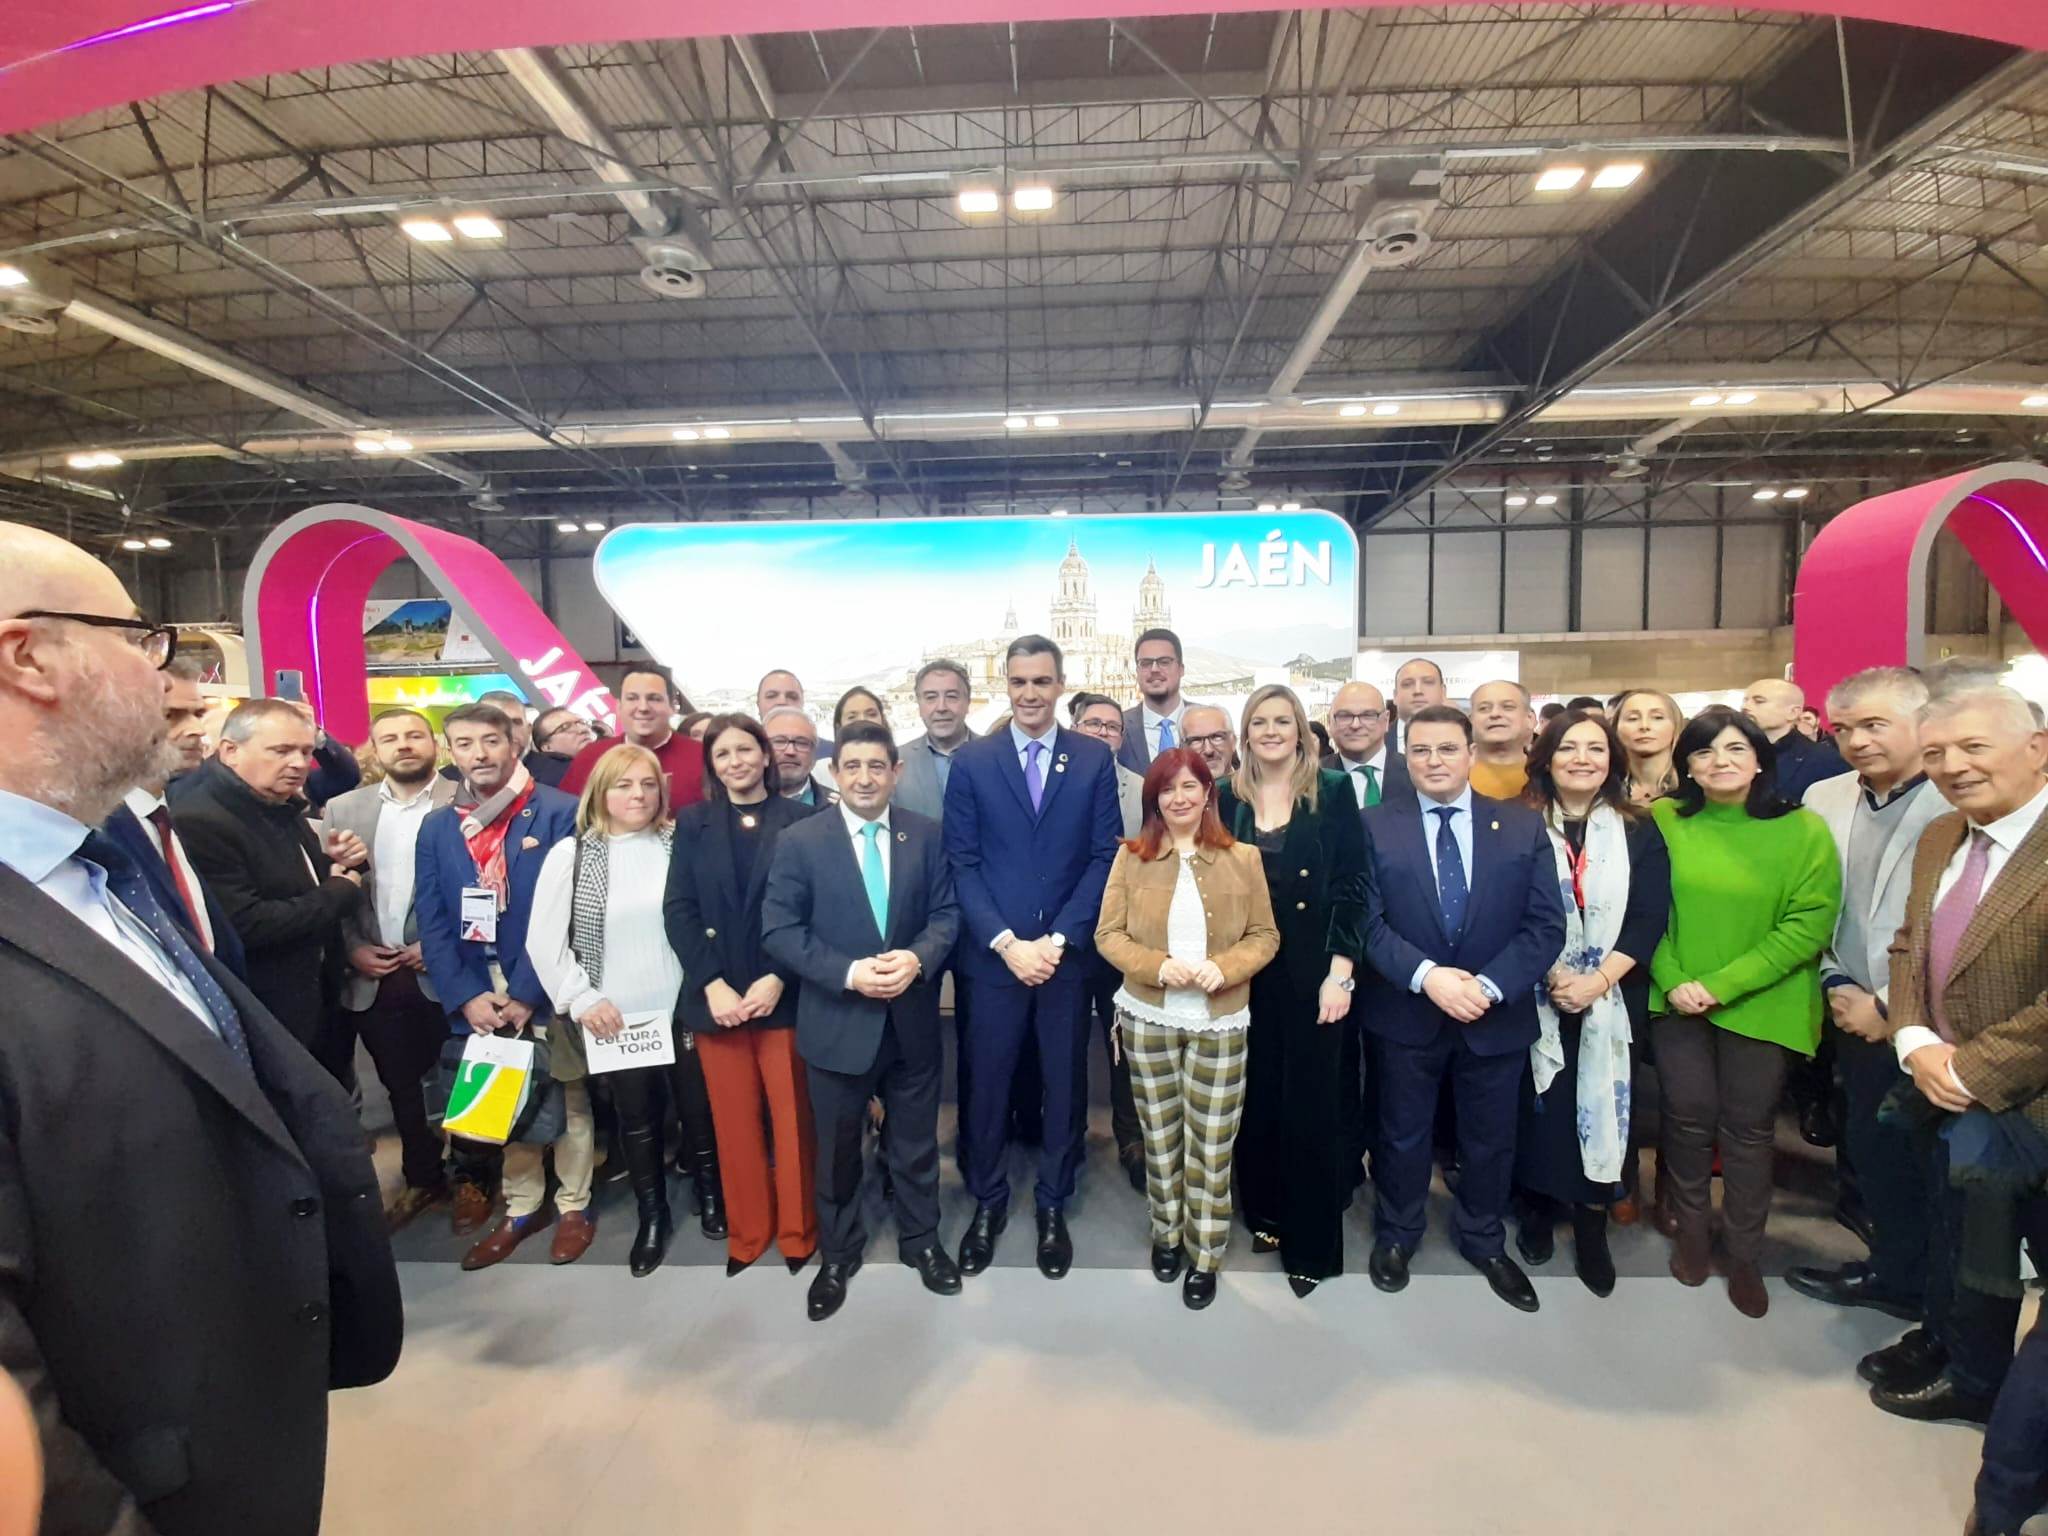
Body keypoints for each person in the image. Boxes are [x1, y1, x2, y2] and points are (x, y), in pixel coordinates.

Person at [0, 521, 400, 1535]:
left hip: (226, 1434)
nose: (171, 680)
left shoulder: (95, 867)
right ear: (28, 658)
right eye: (144, 640)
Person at [1868, 685, 2048, 1426]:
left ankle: (1981, 1382)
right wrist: (1913, 1040)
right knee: (1951, 1226)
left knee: (1997, 1254)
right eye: (1937, 752)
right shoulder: (1945, 833)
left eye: (1974, 747)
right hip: (1934, 1076)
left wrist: (1971, 1069)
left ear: (2037, 748)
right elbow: (1910, 945)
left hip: (2024, 1099)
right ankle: (1947, 1343)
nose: (1954, 767)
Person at [1361, 704, 1565, 1313]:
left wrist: (1489, 987)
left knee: (1490, 1137)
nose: (1433, 761)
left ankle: (1482, 1236)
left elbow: (1544, 925)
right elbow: (1364, 922)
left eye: (1447, 749)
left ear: (1470, 753)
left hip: (1493, 1014)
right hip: (1407, 1011)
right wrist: (1427, 978)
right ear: (1406, 757)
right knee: (1400, 1134)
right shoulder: (1374, 825)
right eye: (1420, 750)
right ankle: (1398, 1234)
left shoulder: (1523, 827)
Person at [762, 721, 964, 1321]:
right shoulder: (802, 841)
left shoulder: (926, 836)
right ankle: (838, 1253)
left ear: (895, 773)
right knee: (837, 1151)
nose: (865, 778)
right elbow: (779, 930)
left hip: (910, 1023)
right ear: (835, 773)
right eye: (852, 767)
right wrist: (848, 973)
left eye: (877, 766)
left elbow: (947, 914)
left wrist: (918, 959)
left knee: (915, 1144)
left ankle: (921, 1242)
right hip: (837, 1022)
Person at [1649, 705, 1841, 1317]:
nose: (1720, 762)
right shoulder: (1663, 821)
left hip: (1764, 1000)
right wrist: (1677, 980)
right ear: (1688, 767)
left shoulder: (1803, 829)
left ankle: (1746, 1252)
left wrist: (1723, 985)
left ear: (1761, 759)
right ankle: (1694, 1234)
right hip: (1674, 995)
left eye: (1735, 749)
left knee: (1749, 1129)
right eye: (1704, 753)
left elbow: (1809, 922)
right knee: (1685, 1117)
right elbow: (1637, 907)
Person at [944, 634, 1122, 1280]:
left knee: (1064, 1084)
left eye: (1041, 682)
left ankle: (1053, 1202)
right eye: (1018, 682)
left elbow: (1106, 855)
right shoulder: (974, 762)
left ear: (1060, 684)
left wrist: (1058, 940)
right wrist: (1005, 942)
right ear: (1006, 684)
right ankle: (987, 1204)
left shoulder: (1091, 759)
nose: (1028, 693)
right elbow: (961, 864)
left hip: (1065, 960)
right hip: (994, 960)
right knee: (987, 1085)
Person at [1785, 668, 1947, 1327]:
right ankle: (1897, 1275)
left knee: (1934, 1168)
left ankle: (1940, 1302)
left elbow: (1961, 924)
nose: (1855, 741)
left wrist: (1890, 1006)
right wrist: (1835, 982)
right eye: (1844, 728)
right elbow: (1806, 901)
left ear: (1922, 724)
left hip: (1933, 1020)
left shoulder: (1956, 799)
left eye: (1874, 725)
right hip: (1845, 1001)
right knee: (1872, 1148)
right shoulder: (1823, 796)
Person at [1095, 747, 1279, 1309]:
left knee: (1213, 1145)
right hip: (1149, 1019)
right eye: (1167, 790)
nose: (1179, 798)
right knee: (1160, 1136)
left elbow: (1265, 937)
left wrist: (1224, 969)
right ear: (1154, 799)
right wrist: (1156, 967)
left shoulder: (1243, 858)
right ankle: (1167, 1235)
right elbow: (1109, 935)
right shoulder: (1130, 857)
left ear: (1207, 795)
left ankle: (1205, 1252)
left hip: (1220, 1024)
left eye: (1189, 787)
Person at [414, 702, 588, 1269]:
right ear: (452, 751)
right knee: (502, 1098)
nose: (479, 754)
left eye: (489, 741)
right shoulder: (439, 826)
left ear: (513, 741)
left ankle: (573, 1206)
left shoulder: (559, 811)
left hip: (543, 980)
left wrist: (527, 994)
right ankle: (521, 1206)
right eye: (464, 744)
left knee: (566, 1095)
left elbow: (569, 912)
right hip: (477, 986)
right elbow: (434, 918)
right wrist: (465, 995)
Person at [1213, 685, 1367, 1296]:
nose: (1271, 730)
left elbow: (1353, 884)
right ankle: (1268, 1215)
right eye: (1260, 722)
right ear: (1244, 734)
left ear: (1302, 731)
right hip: (1246, 972)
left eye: (1284, 721)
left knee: (1311, 1104)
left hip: (1314, 973)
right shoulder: (1226, 798)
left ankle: (1311, 1246)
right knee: (1256, 1098)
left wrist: (1341, 972)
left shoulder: (1331, 791)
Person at [1512, 709, 1670, 1297]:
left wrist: (1597, 981)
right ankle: (1534, 1208)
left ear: (1612, 761)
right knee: (1538, 1106)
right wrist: (1553, 974)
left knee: (1601, 1104)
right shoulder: (1520, 824)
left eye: (1595, 749)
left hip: (1609, 995)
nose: (1582, 758)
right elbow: (1509, 909)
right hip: (1536, 990)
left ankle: (1590, 1224)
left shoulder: (1638, 828)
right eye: (1568, 748)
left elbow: (1650, 915)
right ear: (1546, 760)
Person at [665, 715, 820, 1277]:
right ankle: (749, 1234)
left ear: (765, 755)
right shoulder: (693, 823)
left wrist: (779, 975)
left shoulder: (804, 820)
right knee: (732, 1125)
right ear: (711, 764)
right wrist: (712, 984)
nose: (736, 761)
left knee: (793, 1121)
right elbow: (678, 910)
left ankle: (799, 1234)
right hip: (719, 999)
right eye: (723, 753)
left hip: (783, 994)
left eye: (746, 749)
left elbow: (812, 911)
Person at [526, 744, 684, 1274]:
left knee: (698, 1115)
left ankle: (712, 1203)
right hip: (618, 1016)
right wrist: (583, 998)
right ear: (600, 791)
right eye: (623, 784)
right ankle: (653, 1216)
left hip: (685, 1007)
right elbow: (543, 942)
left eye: (646, 784)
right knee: (636, 1124)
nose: (637, 794)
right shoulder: (571, 855)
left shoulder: (679, 844)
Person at [174, 698, 368, 1084]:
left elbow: (287, 883)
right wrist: (339, 890)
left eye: (305, 751)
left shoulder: (273, 801)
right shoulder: (200, 818)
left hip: (318, 1003)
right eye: (281, 750)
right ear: (230, 751)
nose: (298, 763)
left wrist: (337, 862)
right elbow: (246, 924)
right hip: (267, 1011)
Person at [324, 708, 460, 1231]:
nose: (403, 745)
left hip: (446, 968)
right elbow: (330, 890)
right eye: (390, 738)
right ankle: (423, 1178)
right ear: (373, 750)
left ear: (434, 744)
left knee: (463, 1077)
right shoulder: (342, 808)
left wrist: (440, 945)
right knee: (399, 1084)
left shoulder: (464, 799)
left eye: (413, 735)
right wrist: (351, 948)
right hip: (375, 971)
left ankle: (475, 1176)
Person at [101, 654, 246, 980]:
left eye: (198, 714)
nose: (195, 729)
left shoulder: (167, 817)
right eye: (171, 715)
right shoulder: (100, 832)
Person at [1071, 690, 1148, 1187]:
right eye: (1092, 724)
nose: (1103, 733)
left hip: (1125, 938)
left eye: (1112, 726)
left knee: (1126, 1046)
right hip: (1068, 938)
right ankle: (1067, 1133)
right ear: (1073, 728)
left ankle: (1131, 1138)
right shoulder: (1053, 783)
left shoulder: (1144, 789)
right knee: (1065, 1042)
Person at [558, 664, 705, 807]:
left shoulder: (703, 758)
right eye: (632, 698)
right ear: (619, 707)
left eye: (654, 698)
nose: (643, 708)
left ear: (673, 707)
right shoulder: (591, 758)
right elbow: (568, 818)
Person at [894, 659, 976, 823]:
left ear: (968, 702)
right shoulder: (896, 761)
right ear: (919, 706)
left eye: (952, 697)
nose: (941, 707)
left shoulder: (996, 757)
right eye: (931, 698)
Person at [1743, 676, 1845, 802]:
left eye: (1759, 701)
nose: (1745, 707)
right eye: (1745, 700)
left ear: (1793, 712)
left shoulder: (1826, 761)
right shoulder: (1736, 756)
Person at [1323, 680, 1411, 808]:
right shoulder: (1310, 778)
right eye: (1344, 716)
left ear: (1386, 721)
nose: (1355, 725)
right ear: (1329, 721)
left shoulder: (1413, 772)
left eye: (1368, 715)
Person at [1119, 626, 1191, 773]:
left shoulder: (1209, 721)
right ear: (1137, 671)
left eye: (1164, 662)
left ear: (1181, 669)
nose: (1154, 669)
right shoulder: (1118, 728)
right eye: (1145, 663)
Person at [1614, 688, 1685, 804]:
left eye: (1657, 717)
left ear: (1675, 726)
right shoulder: (1605, 791)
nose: (1644, 726)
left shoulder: (1696, 787)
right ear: (1616, 728)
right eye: (1633, 718)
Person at [1469, 679, 1536, 800]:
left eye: (1508, 707)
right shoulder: (1452, 775)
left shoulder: (1548, 776)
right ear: (1471, 720)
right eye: (1484, 708)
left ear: (1530, 719)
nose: (1495, 714)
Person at [766, 705, 837, 809]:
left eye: (801, 743)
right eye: (779, 741)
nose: (790, 751)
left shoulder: (838, 809)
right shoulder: (736, 804)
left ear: (814, 752)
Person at [1391, 656, 1449, 747]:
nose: (1418, 691)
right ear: (1395, 696)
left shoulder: (1467, 740)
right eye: (1407, 684)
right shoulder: (1374, 743)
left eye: (1428, 682)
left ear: (1443, 692)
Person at [530, 706, 597, 785]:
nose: (583, 729)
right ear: (547, 747)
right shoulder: (558, 784)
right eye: (565, 727)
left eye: (582, 722)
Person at [1181, 703, 1238, 781]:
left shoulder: (1256, 789)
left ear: (1233, 742)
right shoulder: (1175, 792)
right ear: (1183, 748)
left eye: (1217, 737)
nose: (1208, 750)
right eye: (1196, 740)